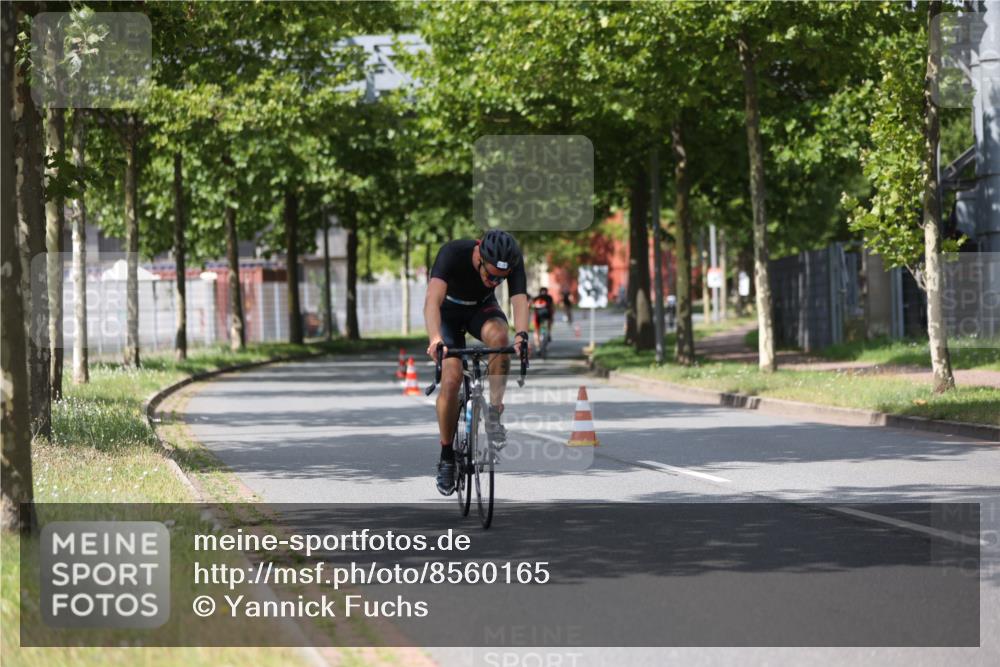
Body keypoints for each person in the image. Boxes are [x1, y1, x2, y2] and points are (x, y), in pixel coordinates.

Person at [424, 230, 530, 496]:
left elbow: (519, 299)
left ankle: (494, 414)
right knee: (451, 378)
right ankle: (447, 455)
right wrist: (436, 338)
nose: (495, 281)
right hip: (447, 314)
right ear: (478, 255)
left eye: (501, 279)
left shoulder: (512, 260)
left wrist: (522, 336)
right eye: (491, 275)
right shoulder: (453, 253)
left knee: (500, 340)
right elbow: (432, 301)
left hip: (480, 310)